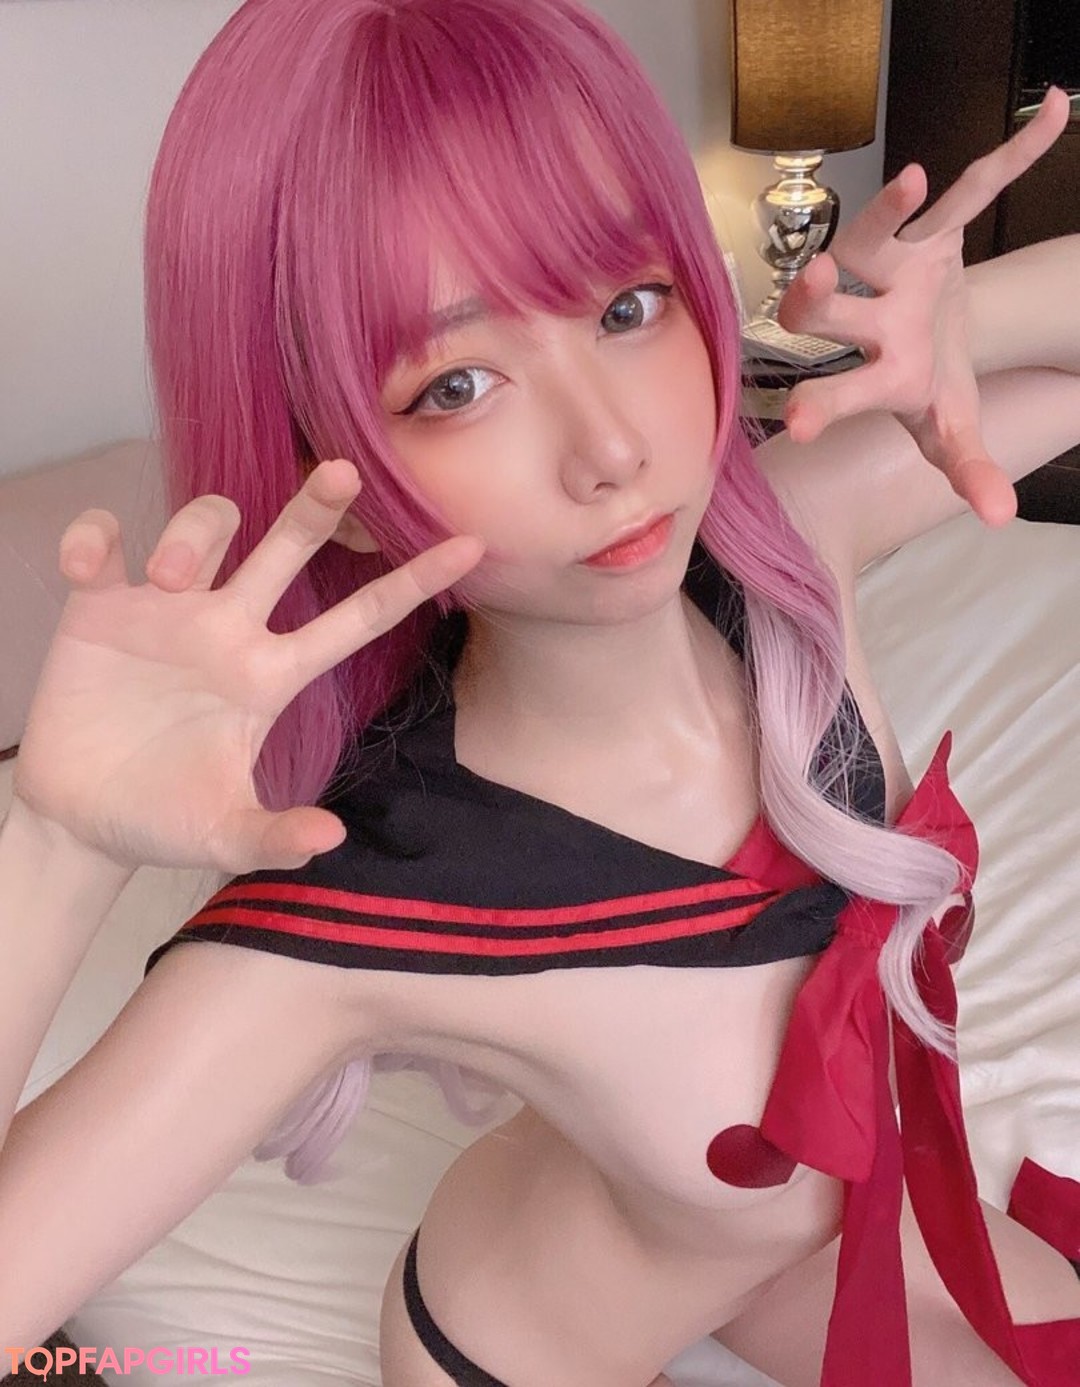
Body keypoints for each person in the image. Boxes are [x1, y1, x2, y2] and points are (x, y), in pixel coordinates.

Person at [1, 1, 1079, 1383]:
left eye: (628, 307)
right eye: (457, 385)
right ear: (332, 480)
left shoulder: (788, 549)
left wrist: (975, 313)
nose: (611, 449)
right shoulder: (371, 893)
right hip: (523, 1349)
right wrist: (52, 850)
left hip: (820, 1234)